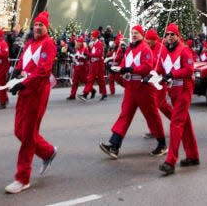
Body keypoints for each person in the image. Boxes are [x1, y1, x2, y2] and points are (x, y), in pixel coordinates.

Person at [5, 11, 58, 194]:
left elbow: (43, 71)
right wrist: (14, 73)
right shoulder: (29, 43)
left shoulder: (49, 44)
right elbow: (22, 63)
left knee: (27, 135)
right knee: (19, 131)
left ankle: (22, 178)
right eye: (35, 24)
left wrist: (23, 83)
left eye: (40, 25)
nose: (37, 27)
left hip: (37, 93)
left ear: (46, 27)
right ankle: (47, 151)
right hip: (25, 91)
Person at [99, 24, 167, 158]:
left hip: (143, 88)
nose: (134, 34)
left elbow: (147, 67)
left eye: (137, 32)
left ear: (142, 35)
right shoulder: (129, 48)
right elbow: (124, 63)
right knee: (125, 115)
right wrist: (117, 68)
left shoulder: (145, 48)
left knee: (152, 116)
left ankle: (162, 144)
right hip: (131, 88)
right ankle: (114, 146)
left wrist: (130, 69)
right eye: (132, 32)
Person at [156, 23, 199, 176]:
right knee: (184, 123)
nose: (169, 37)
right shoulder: (164, 51)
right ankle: (193, 155)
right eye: (167, 34)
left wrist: (173, 74)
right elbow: (159, 70)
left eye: (172, 34)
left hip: (184, 91)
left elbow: (189, 69)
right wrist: (151, 77)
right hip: (173, 92)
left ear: (177, 35)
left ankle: (170, 161)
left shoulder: (184, 50)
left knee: (176, 124)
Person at [82, 30, 108, 100]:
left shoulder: (99, 44)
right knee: (95, 79)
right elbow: (94, 53)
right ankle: (103, 93)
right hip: (95, 63)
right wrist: (88, 52)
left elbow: (98, 54)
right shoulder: (94, 44)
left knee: (98, 79)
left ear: (95, 36)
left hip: (98, 63)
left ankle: (86, 94)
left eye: (92, 36)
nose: (91, 37)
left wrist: (89, 54)